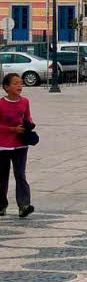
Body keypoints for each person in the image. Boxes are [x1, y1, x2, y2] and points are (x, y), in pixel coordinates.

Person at [0, 73, 34, 218]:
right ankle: (1, 205)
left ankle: (24, 205)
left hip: (20, 144)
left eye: (20, 83)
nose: (19, 86)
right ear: (6, 87)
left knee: (20, 174)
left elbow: (27, 116)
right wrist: (12, 129)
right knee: (2, 176)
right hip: (3, 145)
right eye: (15, 83)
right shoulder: (1, 104)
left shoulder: (25, 102)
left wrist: (29, 126)